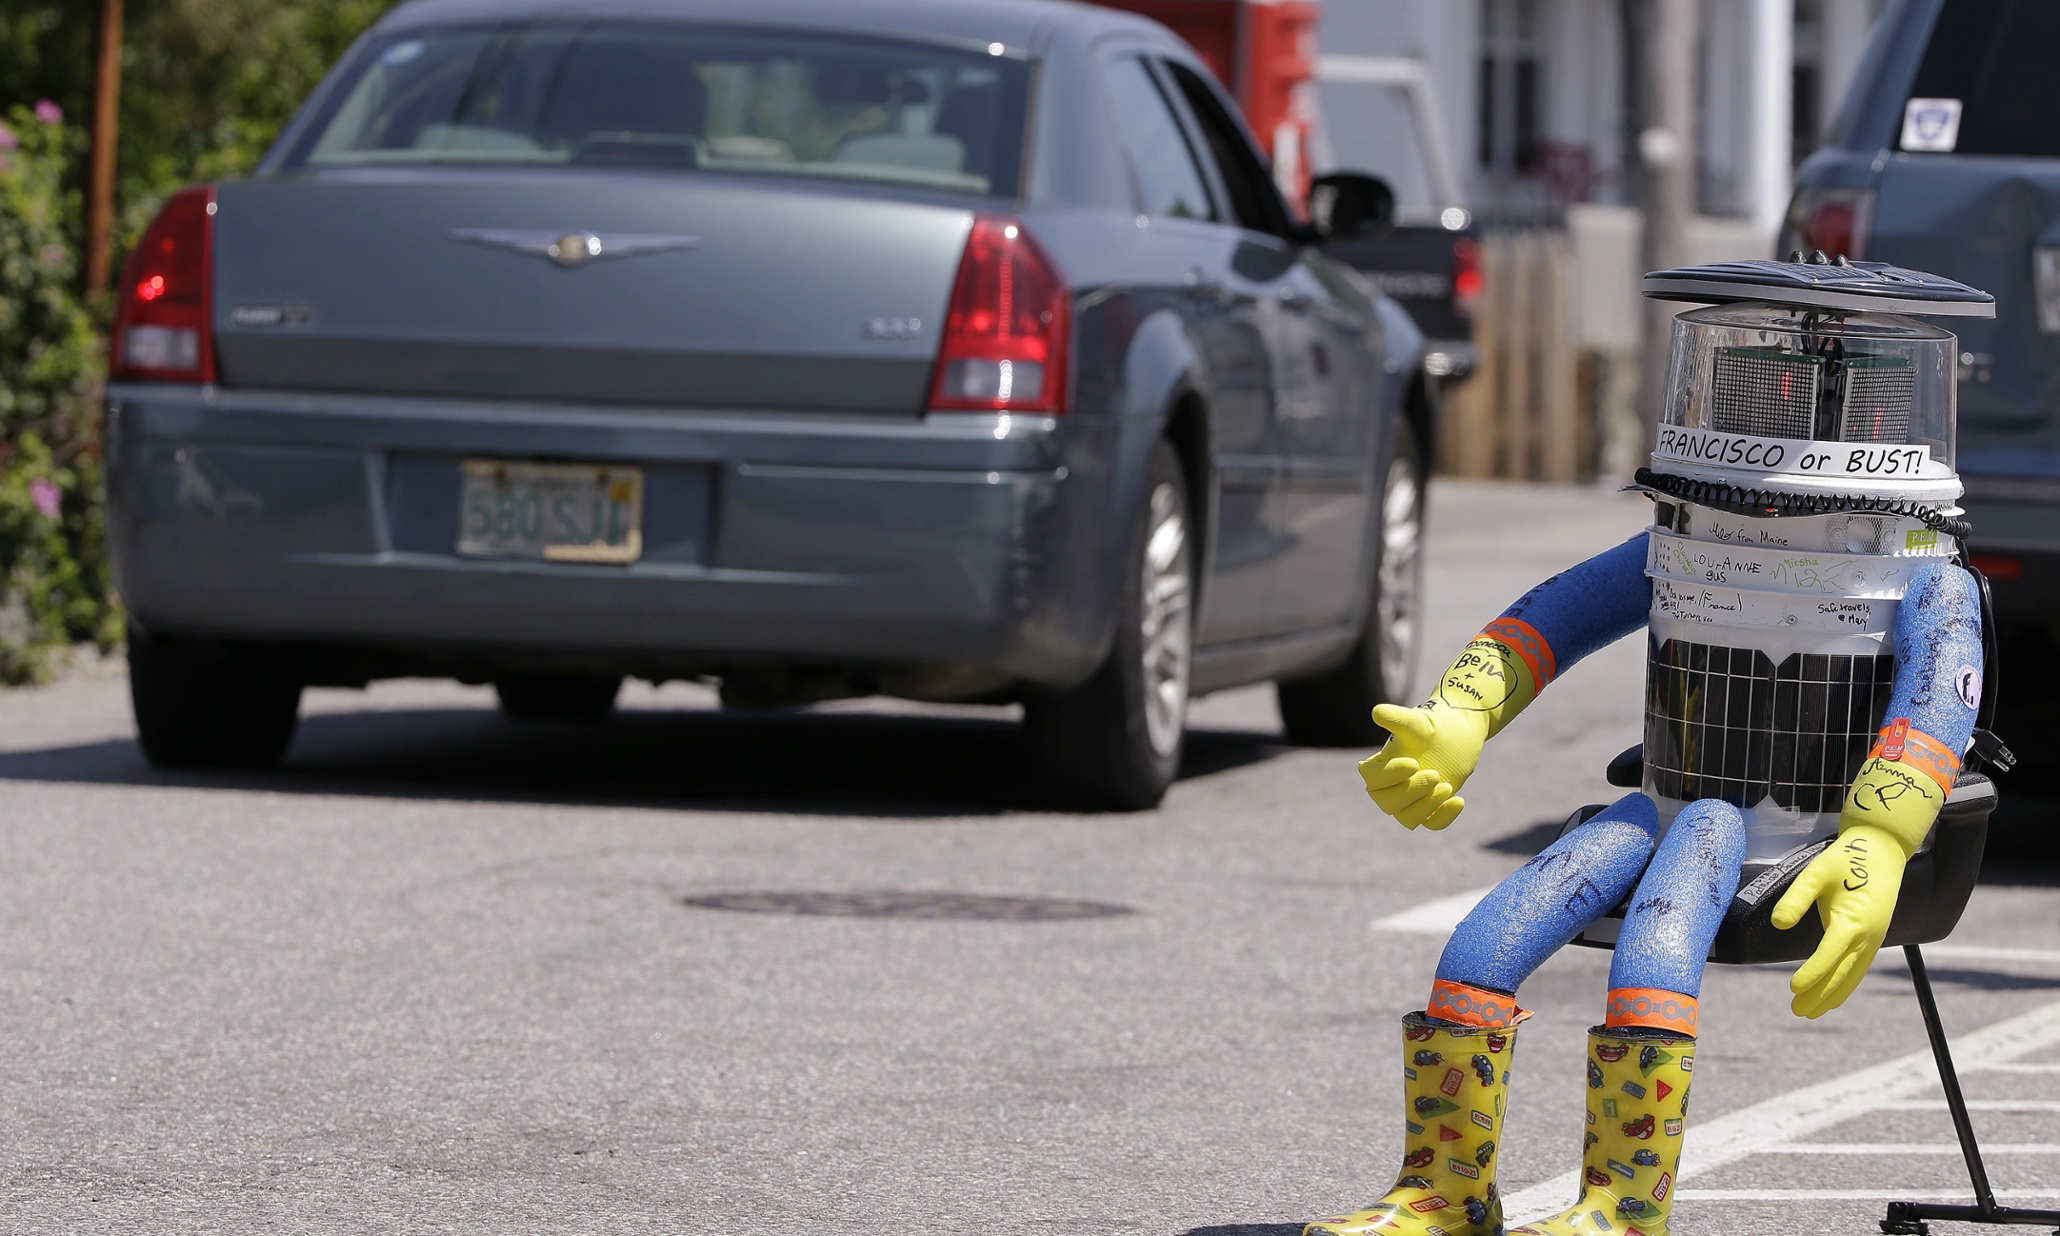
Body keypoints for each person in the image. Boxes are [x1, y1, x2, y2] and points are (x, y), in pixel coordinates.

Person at [1307, 256, 1995, 1236]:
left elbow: (1936, 702)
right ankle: (1446, 1190)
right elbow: (1546, 621)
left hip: (1775, 829)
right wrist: (1458, 719)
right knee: (1479, 945)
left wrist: (1878, 837)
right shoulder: (1681, 542)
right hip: (1673, 801)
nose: (1782, 435)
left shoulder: (1925, 574)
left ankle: (1623, 1207)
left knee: (1654, 952)